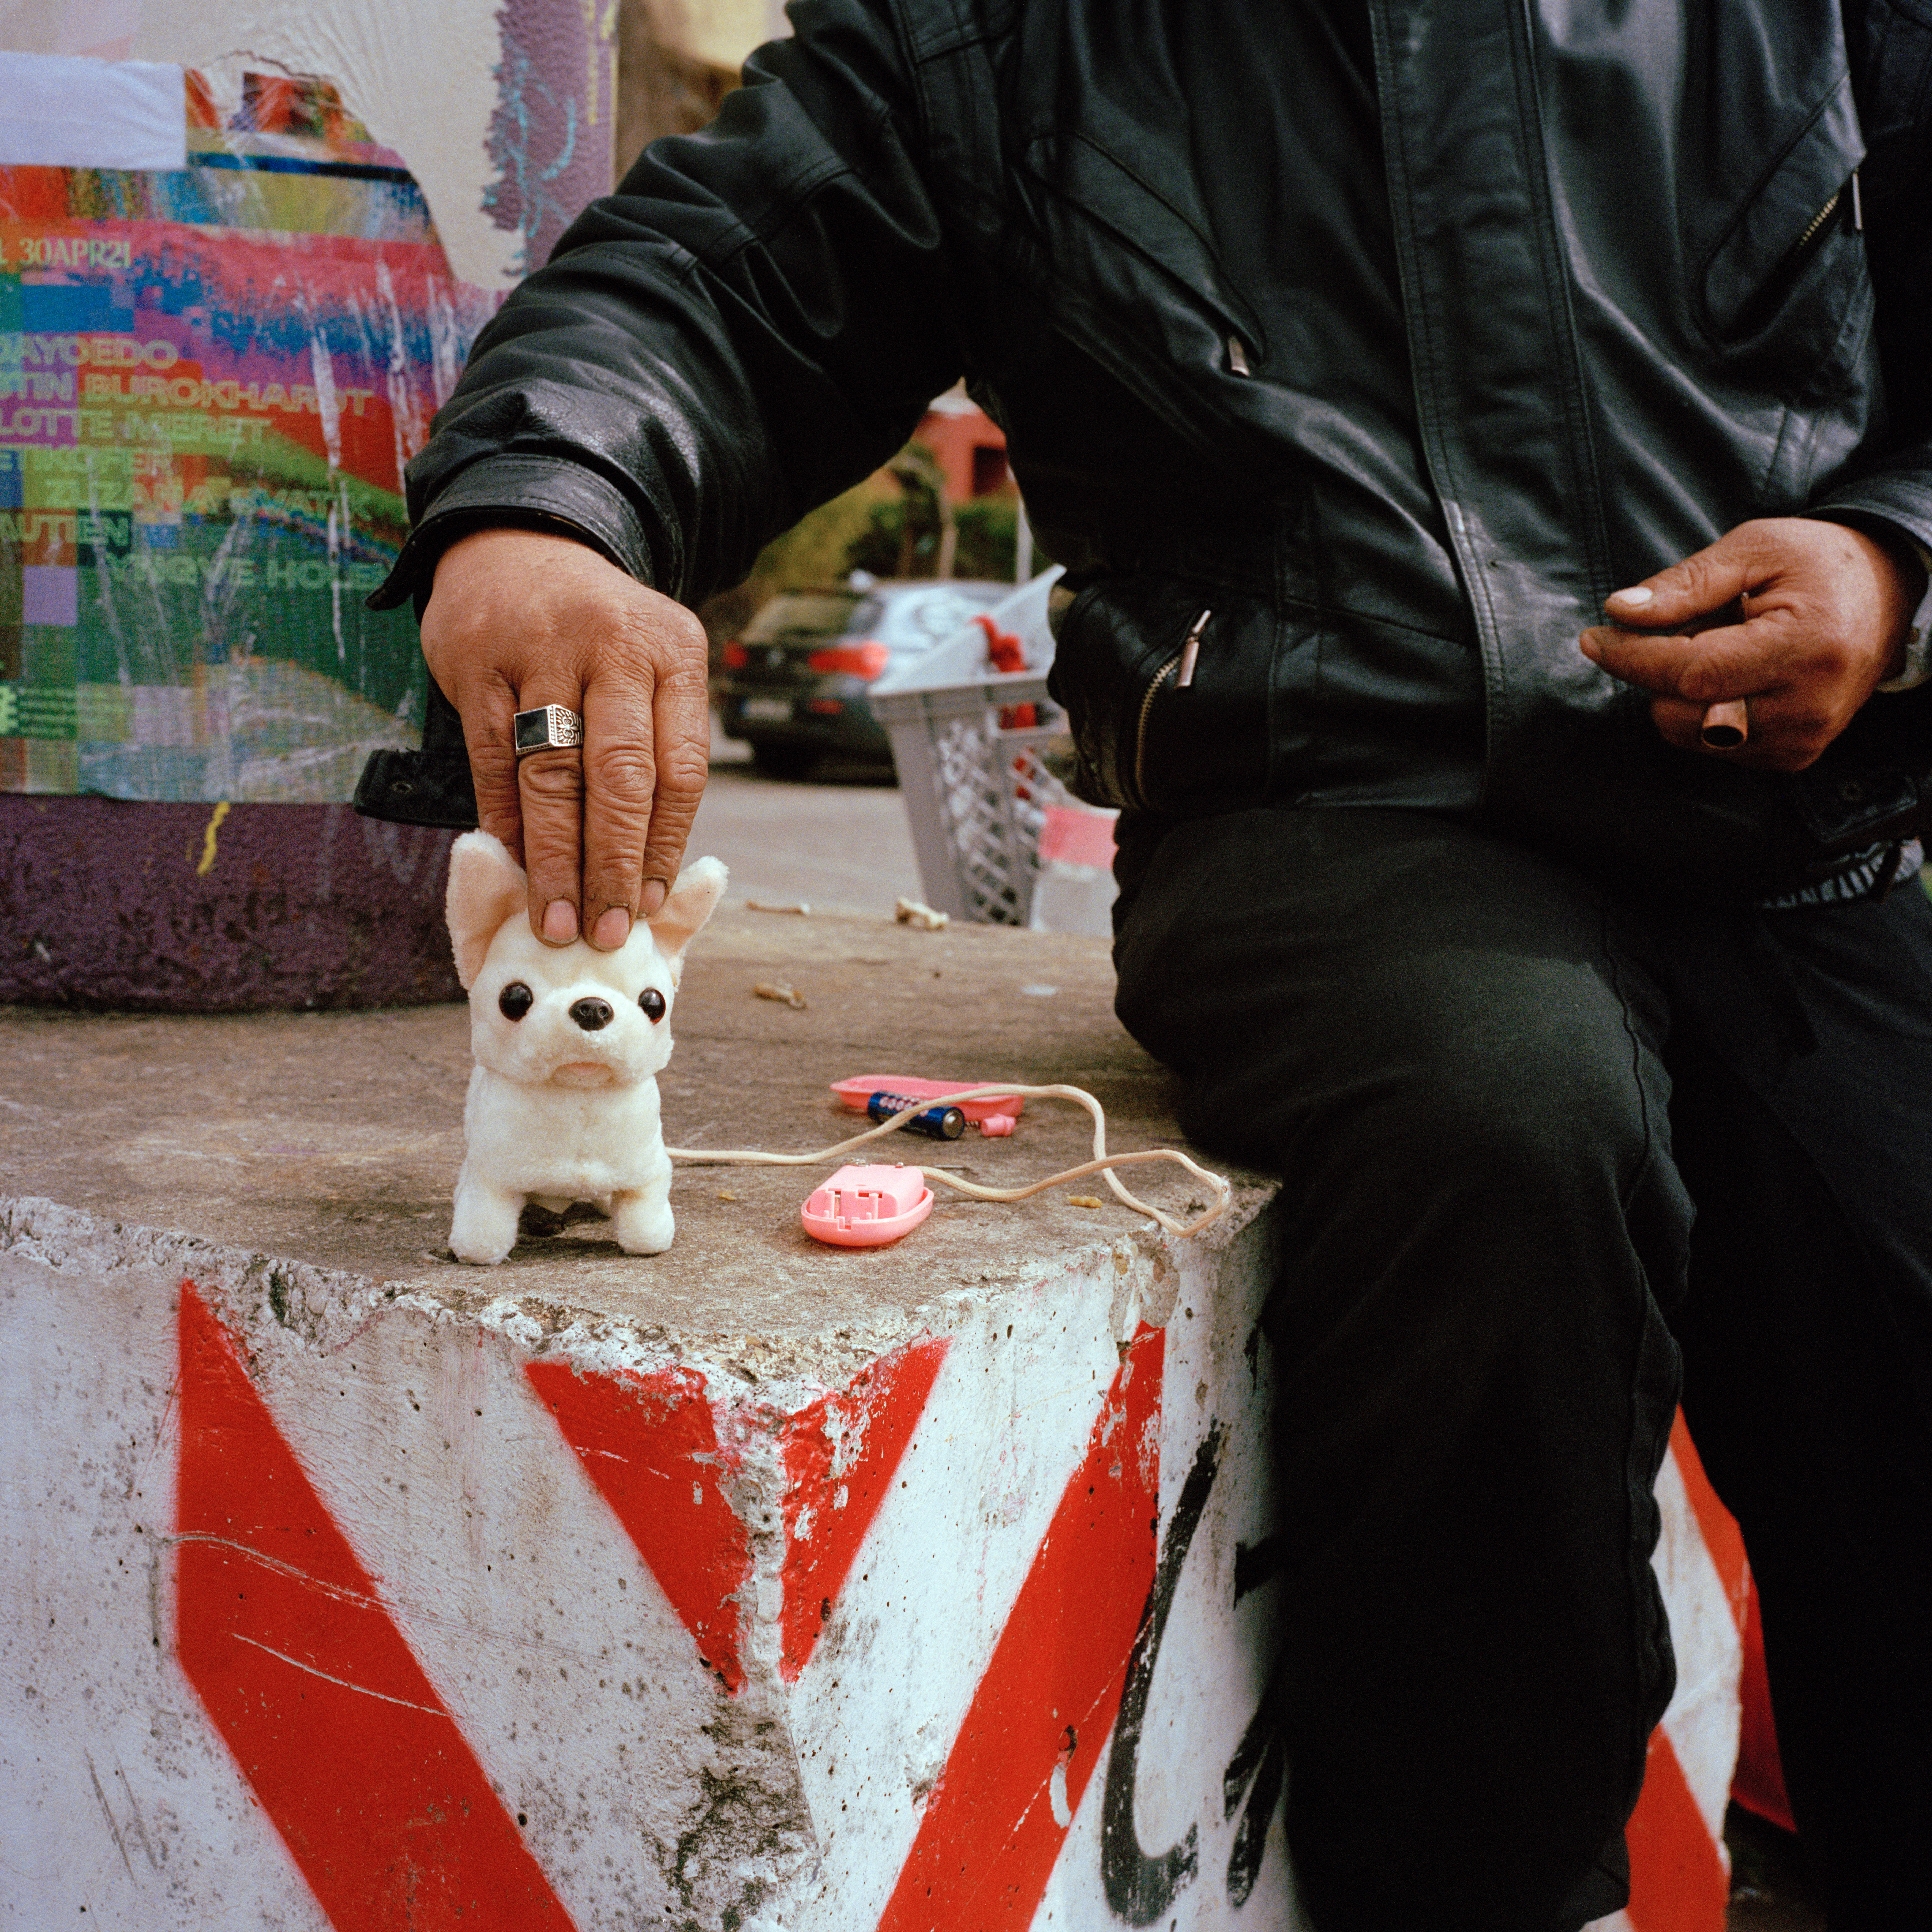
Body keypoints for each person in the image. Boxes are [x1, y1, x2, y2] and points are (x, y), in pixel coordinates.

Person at [370, 3, 1932, 1924]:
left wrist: (1893, 565)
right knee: (1503, 1121)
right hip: (1323, 813)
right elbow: (715, 273)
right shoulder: (995, 35)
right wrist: (539, 508)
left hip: (1799, 845)